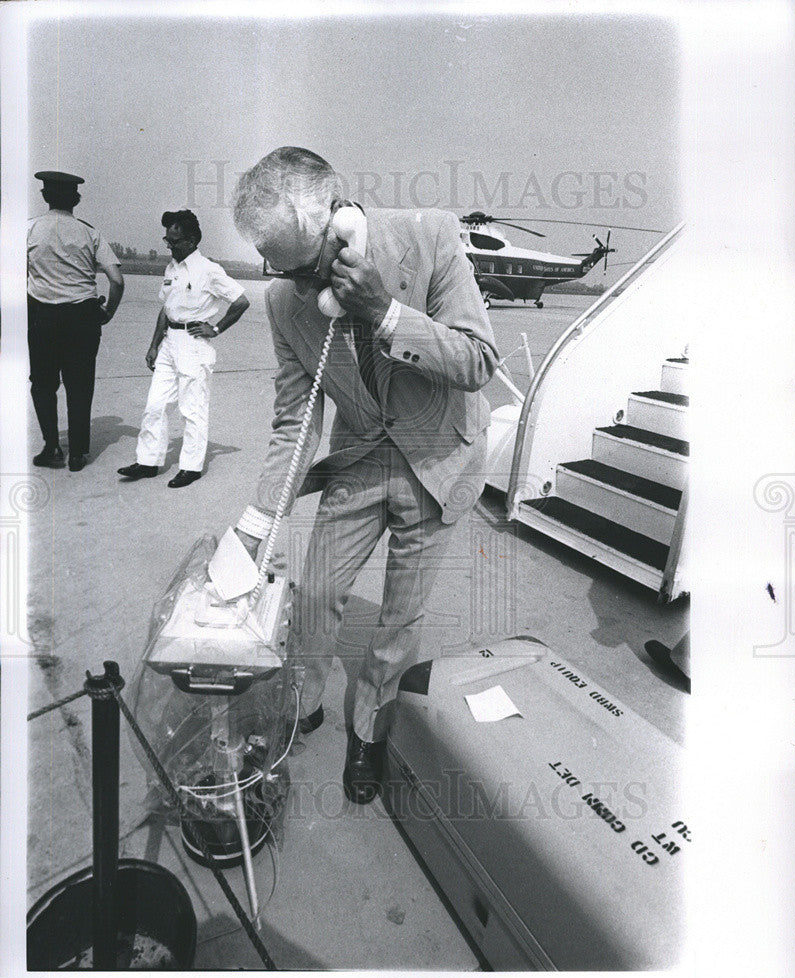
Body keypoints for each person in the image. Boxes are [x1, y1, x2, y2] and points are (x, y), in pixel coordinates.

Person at [230, 147, 499, 803]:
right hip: (359, 457)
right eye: (280, 269)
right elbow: (295, 420)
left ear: (343, 222)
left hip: (439, 456)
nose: (297, 287)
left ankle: (369, 732)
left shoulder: (431, 236)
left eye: (306, 268)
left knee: (398, 621)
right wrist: (259, 521)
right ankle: (304, 701)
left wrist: (384, 313)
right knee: (315, 593)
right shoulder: (282, 303)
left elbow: (478, 361)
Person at [118, 210, 250, 488]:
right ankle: (148, 461)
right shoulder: (172, 269)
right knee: (155, 404)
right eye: (167, 239)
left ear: (190, 241)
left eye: (174, 241)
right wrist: (154, 345)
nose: (169, 245)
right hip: (169, 344)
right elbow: (166, 309)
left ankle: (191, 467)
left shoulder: (209, 270)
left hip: (193, 344)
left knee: (192, 409)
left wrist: (216, 329)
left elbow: (240, 301)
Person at [27, 170, 124, 471]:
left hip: (41, 316)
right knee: (80, 385)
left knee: (43, 385)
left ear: (44, 196)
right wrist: (107, 313)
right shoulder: (90, 233)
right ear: (76, 199)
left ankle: (53, 447)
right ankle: (79, 453)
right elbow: (117, 280)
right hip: (83, 318)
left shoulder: (29, 230)